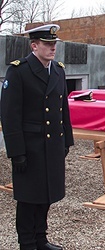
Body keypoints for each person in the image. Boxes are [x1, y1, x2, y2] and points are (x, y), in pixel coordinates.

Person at [0, 24, 74, 250]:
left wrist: (66, 141)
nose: (53, 48)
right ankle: (27, 243)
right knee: (28, 199)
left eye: (54, 44)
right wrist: (16, 152)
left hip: (52, 144)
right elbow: (9, 114)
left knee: (46, 195)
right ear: (34, 46)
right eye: (47, 44)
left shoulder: (58, 70)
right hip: (30, 147)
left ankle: (41, 239)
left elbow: (63, 109)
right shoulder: (19, 70)